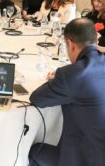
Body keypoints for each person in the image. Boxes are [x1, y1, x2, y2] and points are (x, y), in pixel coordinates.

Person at [29, 18, 105, 166]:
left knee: (34, 151)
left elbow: (36, 99)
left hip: (86, 158)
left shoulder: (70, 74)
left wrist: (55, 80)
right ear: (96, 39)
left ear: (70, 44)